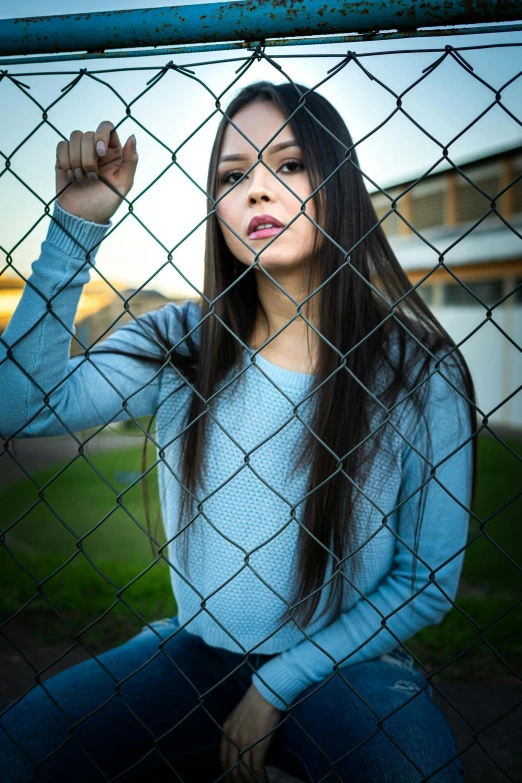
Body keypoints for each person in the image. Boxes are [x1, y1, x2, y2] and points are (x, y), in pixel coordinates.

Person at [0, 80, 475, 782]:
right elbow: (20, 407)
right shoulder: (182, 341)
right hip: (197, 649)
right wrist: (77, 224)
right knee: (20, 748)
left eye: (288, 165)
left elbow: (424, 580)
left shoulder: (418, 369)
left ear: (339, 183)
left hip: (349, 662)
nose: (257, 190)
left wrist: (276, 684)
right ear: (216, 208)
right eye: (233, 175)